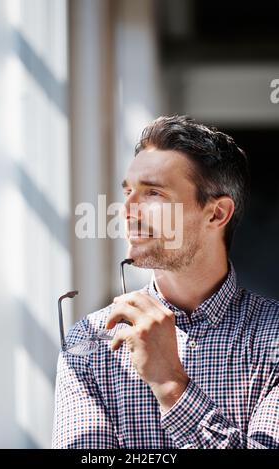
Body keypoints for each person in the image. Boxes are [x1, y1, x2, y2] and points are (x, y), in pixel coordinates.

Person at [52, 115, 279, 449]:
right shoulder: (89, 342)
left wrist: (171, 383)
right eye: (128, 191)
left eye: (153, 193)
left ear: (216, 214)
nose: (126, 209)